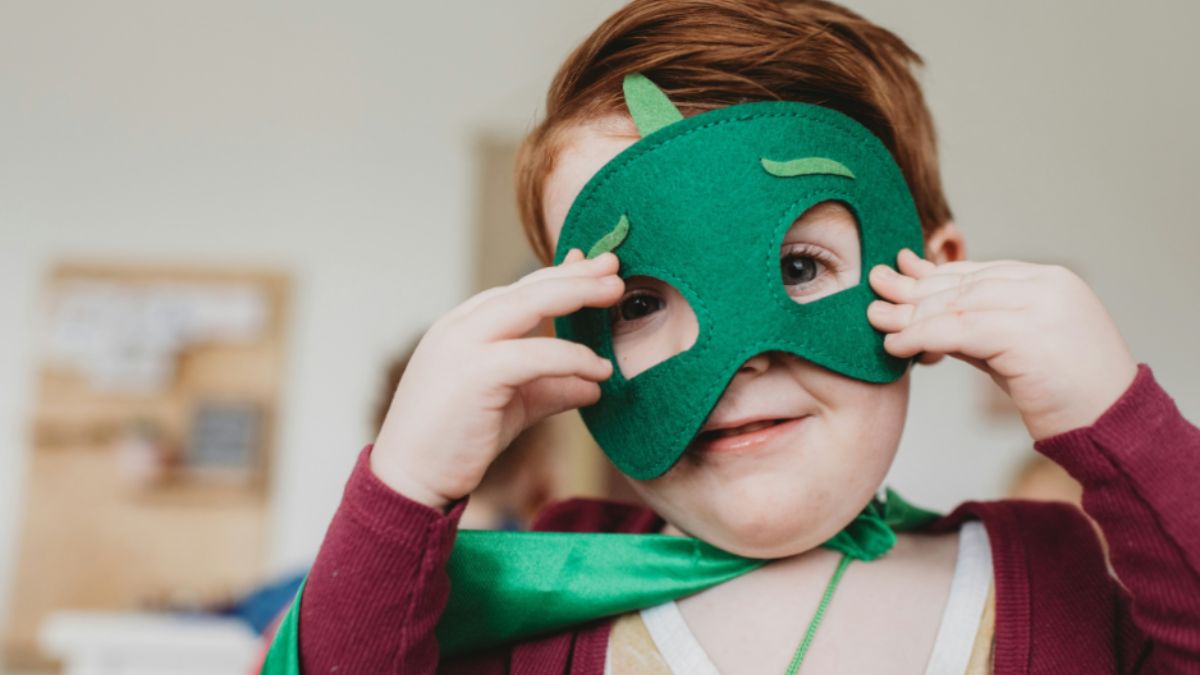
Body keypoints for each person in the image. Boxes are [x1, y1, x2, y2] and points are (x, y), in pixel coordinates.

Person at [263, 1, 1200, 673]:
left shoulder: (1055, 576)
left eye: (799, 269)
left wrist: (1118, 420)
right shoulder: (537, 595)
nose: (739, 359)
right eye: (635, 304)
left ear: (938, 279)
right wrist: (405, 483)